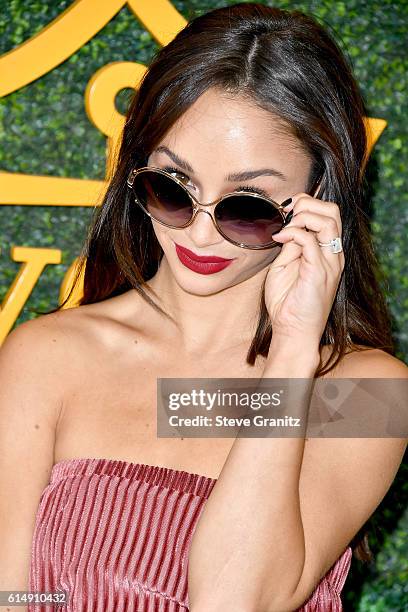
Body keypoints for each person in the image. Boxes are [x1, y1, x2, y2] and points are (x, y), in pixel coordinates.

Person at [0, 3, 406, 611]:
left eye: (248, 205)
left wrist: (293, 354)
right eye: (172, 188)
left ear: (318, 195)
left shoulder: (368, 393)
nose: (201, 233)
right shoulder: (48, 356)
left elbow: (233, 600)